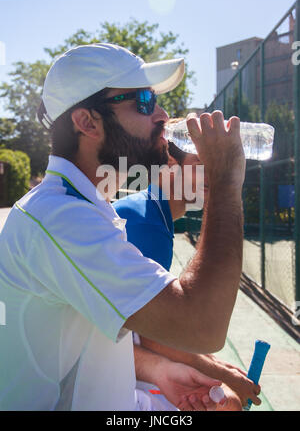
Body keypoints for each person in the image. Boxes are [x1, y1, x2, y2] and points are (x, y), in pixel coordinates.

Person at [0, 43, 245, 411]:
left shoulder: (84, 209)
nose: (162, 114)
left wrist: (161, 371)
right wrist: (226, 180)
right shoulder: (61, 219)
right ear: (86, 122)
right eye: (144, 101)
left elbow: (86, 343)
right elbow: (203, 325)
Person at [113, 136, 261, 411]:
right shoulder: (145, 223)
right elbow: (153, 337)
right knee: (227, 404)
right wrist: (224, 376)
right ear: (170, 165)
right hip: (96, 371)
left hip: (112, 355)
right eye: (201, 164)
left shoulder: (151, 212)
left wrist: (214, 364)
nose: (213, 174)